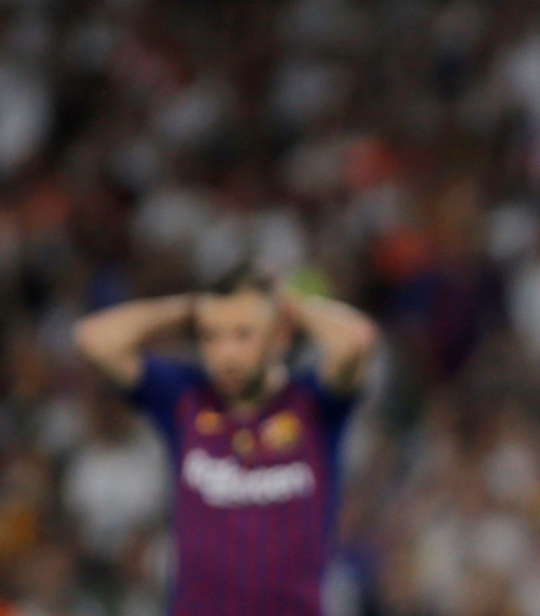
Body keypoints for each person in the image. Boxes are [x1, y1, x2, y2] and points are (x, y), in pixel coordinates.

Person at [73, 263, 379, 616]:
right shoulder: (185, 400)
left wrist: (288, 307)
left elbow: (355, 341)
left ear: (280, 336)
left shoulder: (313, 405)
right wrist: (189, 308)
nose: (225, 354)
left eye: (242, 334)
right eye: (210, 336)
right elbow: (95, 338)